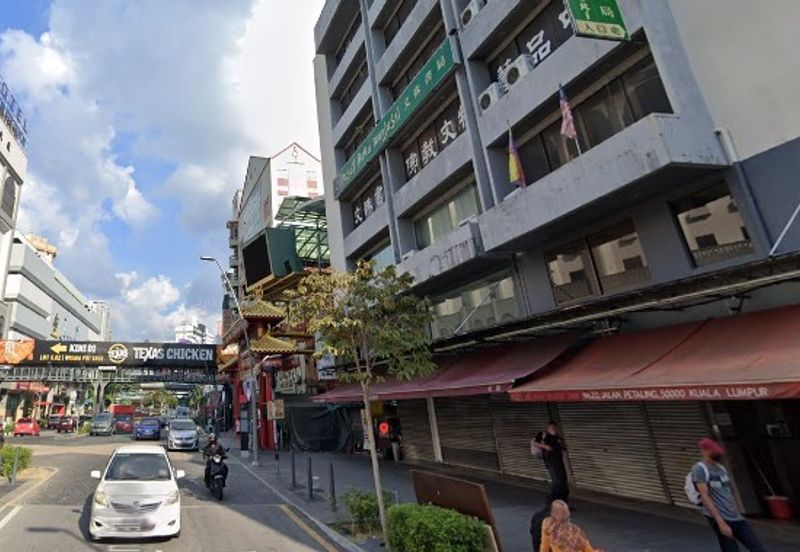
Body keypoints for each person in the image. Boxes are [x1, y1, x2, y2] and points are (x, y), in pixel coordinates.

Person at [692, 438, 767, 552]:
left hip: (735, 517)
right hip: (720, 517)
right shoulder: (700, 469)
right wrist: (720, 522)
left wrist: (737, 511)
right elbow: (705, 496)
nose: (717, 454)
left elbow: (728, 492)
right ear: (704, 451)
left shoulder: (721, 468)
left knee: (758, 548)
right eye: (713, 451)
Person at [533, 421, 570, 505]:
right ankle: (551, 503)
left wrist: (560, 441)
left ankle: (564, 504)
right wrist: (545, 446)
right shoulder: (542, 435)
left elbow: (564, 448)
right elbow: (535, 443)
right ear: (547, 428)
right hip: (551, 462)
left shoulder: (557, 437)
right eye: (551, 427)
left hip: (559, 461)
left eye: (555, 427)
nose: (553, 429)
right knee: (557, 482)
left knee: (564, 483)